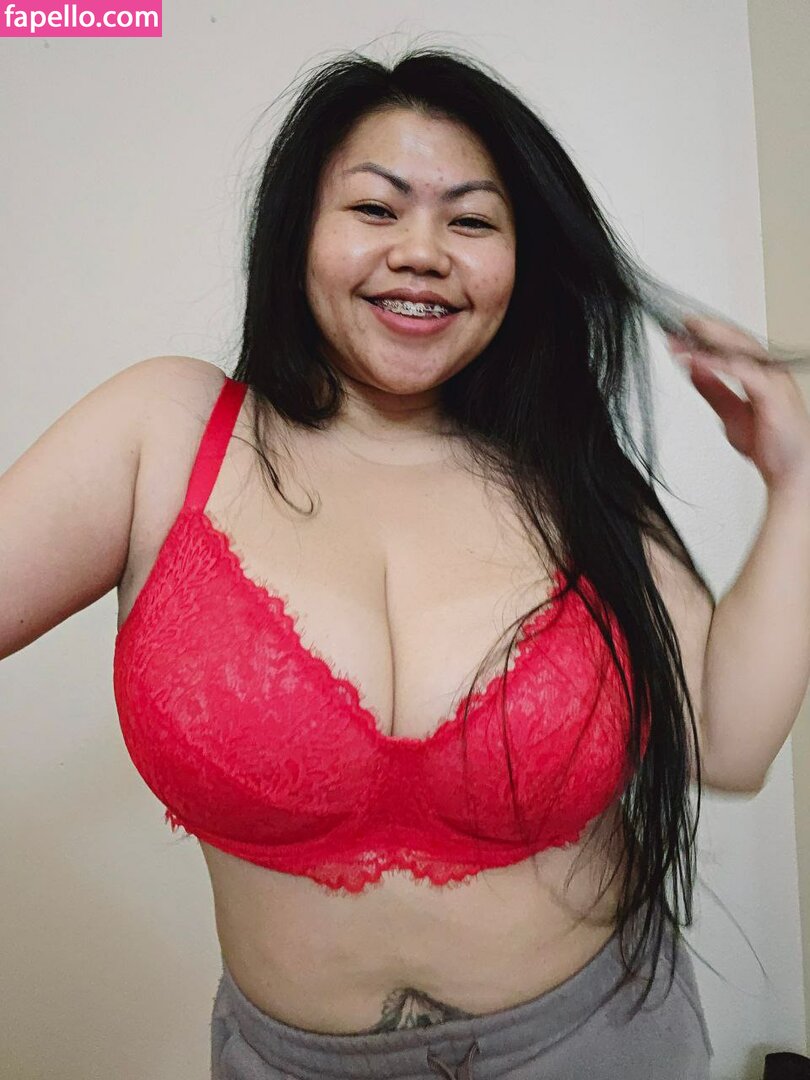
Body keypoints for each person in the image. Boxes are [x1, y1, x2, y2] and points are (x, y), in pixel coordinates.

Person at [3, 46, 809, 1080]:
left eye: (471, 222)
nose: (422, 252)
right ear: (299, 232)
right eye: (376, 209)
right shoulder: (166, 433)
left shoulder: (571, 475)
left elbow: (728, 743)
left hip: (603, 1042)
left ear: (521, 264)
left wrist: (795, 481)